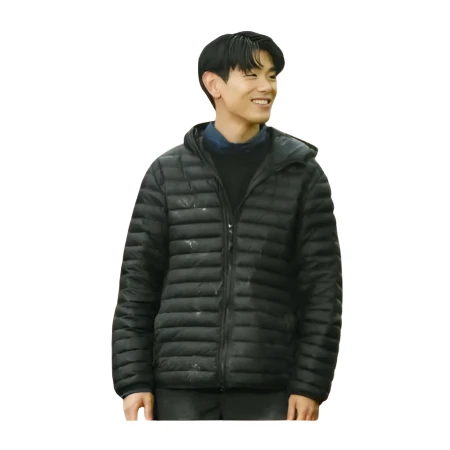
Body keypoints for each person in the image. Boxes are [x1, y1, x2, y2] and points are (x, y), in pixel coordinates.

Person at [111, 31, 343, 421]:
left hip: (270, 389)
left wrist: (309, 384)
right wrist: (134, 380)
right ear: (213, 84)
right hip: (179, 389)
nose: (266, 87)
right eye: (252, 75)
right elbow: (138, 284)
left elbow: (322, 290)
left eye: (272, 76)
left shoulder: (302, 175)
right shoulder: (167, 174)